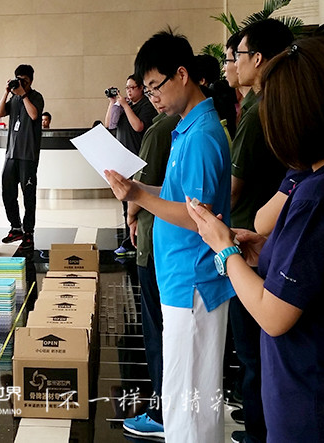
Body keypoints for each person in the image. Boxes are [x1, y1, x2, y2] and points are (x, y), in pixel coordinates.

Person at [186, 36, 324, 442]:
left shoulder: (321, 195)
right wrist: (266, 251)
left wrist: (224, 248)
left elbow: (273, 315)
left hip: (320, 407)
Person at [104, 29, 233, 443]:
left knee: (190, 402)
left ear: (182, 74)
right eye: (147, 90)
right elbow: (180, 196)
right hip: (181, 279)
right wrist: (138, 188)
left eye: (155, 86)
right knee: (183, 395)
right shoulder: (184, 129)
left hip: (194, 282)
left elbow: (199, 218)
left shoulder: (201, 136)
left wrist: (138, 196)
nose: (153, 97)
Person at [226, 18, 293, 443]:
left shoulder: (260, 113)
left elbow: (241, 196)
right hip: (263, 240)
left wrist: (224, 244)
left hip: (255, 243)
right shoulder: (265, 108)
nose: (232, 64)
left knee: (254, 351)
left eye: (238, 55)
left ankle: (257, 431)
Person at [121, 104, 180, 439]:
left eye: (155, 86)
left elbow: (142, 187)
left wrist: (131, 214)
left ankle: (161, 412)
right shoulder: (192, 127)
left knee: (156, 331)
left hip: (155, 241)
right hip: (170, 244)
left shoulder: (161, 131)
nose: (153, 95)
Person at [105, 74, 157, 256]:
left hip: (137, 159)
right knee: (126, 202)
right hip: (122, 160)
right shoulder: (125, 105)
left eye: (132, 88)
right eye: (126, 88)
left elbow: (138, 127)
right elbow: (109, 124)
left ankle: (136, 242)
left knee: (137, 202)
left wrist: (126, 106)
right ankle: (130, 239)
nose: (128, 91)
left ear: (141, 88)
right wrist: (113, 103)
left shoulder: (146, 106)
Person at [0, 64, 45, 247]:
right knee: (7, 191)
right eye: (18, 79)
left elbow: (34, 116)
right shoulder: (14, 98)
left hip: (28, 155)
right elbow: (0, 113)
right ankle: (16, 228)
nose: (21, 83)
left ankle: (29, 231)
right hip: (11, 153)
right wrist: (6, 92)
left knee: (28, 195)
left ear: (31, 81)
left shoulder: (36, 97)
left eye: (24, 80)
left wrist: (23, 95)